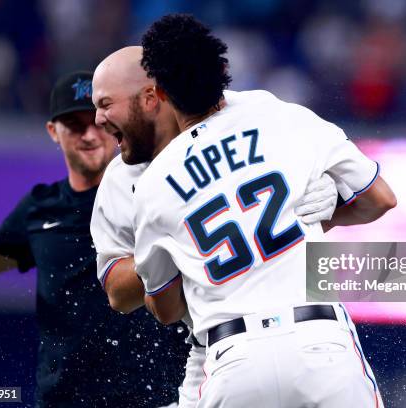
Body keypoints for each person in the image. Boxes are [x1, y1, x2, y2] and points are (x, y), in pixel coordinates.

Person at [130, 14, 397, 407]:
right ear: (224, 69)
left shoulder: (152, 183)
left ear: (160, 94)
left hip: (233, 360)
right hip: (319, 342)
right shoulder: (283, 116)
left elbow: (166, 309)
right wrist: (324, 214)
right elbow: (381, 199)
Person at [90, 46, 342, 408]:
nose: (97, 120)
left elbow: (369, 196)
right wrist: (170, 251)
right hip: (213, 343)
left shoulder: (249, 114)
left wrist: (331, 197)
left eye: (105, 103)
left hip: (282, 328)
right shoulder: (120, 179)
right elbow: (117, 291)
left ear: (151, 97)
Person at [0, 71, 189, 408]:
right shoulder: (42, 207)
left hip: (159, 396)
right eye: (74, 125)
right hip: (67, 399)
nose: (89, 134)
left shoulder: (155, 189)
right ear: (53, 132)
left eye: (96, 122)